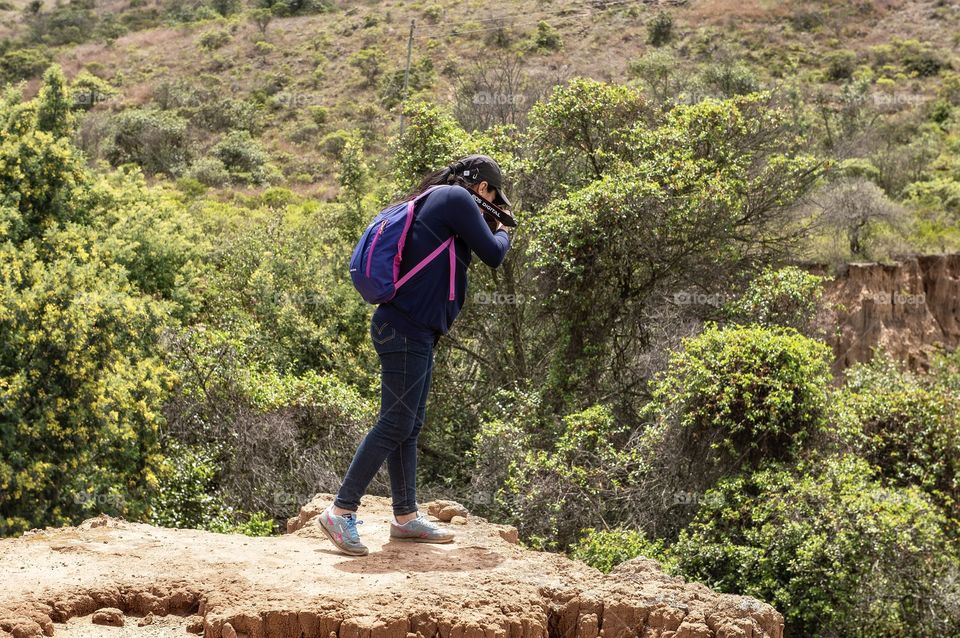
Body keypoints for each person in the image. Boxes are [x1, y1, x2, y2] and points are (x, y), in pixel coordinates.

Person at [317, 154, 513, 556]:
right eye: (494, 195)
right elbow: (494, 253)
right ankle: (341, 511)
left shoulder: (441, 204)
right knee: (395, 423)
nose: (494, 202)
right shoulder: (454, 200)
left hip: (413, 330)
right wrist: (509, 228)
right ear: (481, 189)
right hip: (404, 329)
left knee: (408, 425)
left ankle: (405, 519)